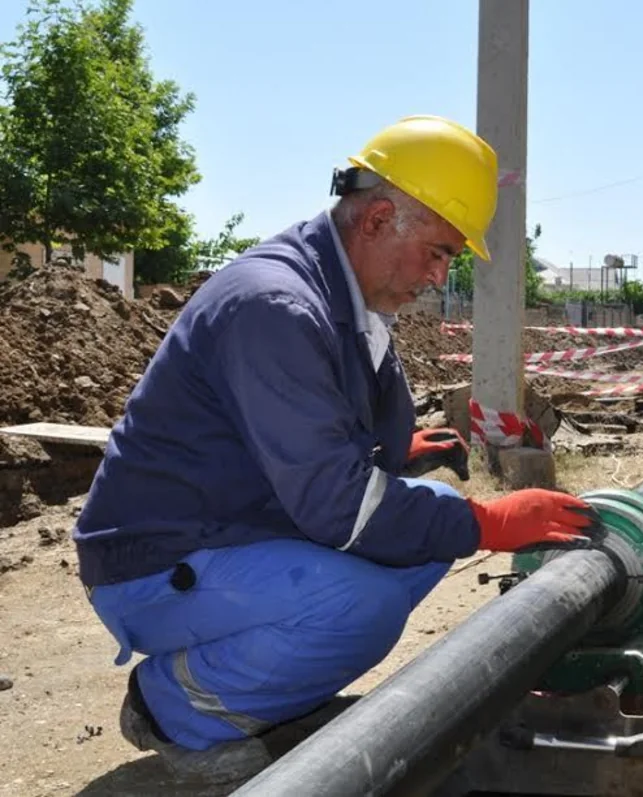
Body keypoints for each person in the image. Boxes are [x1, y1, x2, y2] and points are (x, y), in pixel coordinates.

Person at [71, 115, 599, 783]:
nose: (440, 276)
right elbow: (335, 506)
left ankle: (260, 679)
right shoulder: (276, 306)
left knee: (429, 514)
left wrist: (394, 448)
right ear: (378, 219)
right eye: (438, 251)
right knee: (364, 603)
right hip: (152, 562)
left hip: (235, 523)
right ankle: (176, 704)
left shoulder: (343, 296)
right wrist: (489, 524)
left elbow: (302, 436)